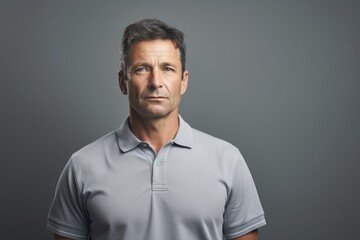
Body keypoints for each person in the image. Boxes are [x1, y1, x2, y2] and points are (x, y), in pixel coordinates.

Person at [47, 18, 266, 240]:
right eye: (142, 69)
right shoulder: (82, 166)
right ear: (123, 82)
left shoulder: (228, 161)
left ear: (183, 81)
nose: (155, 82)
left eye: (168, 69)